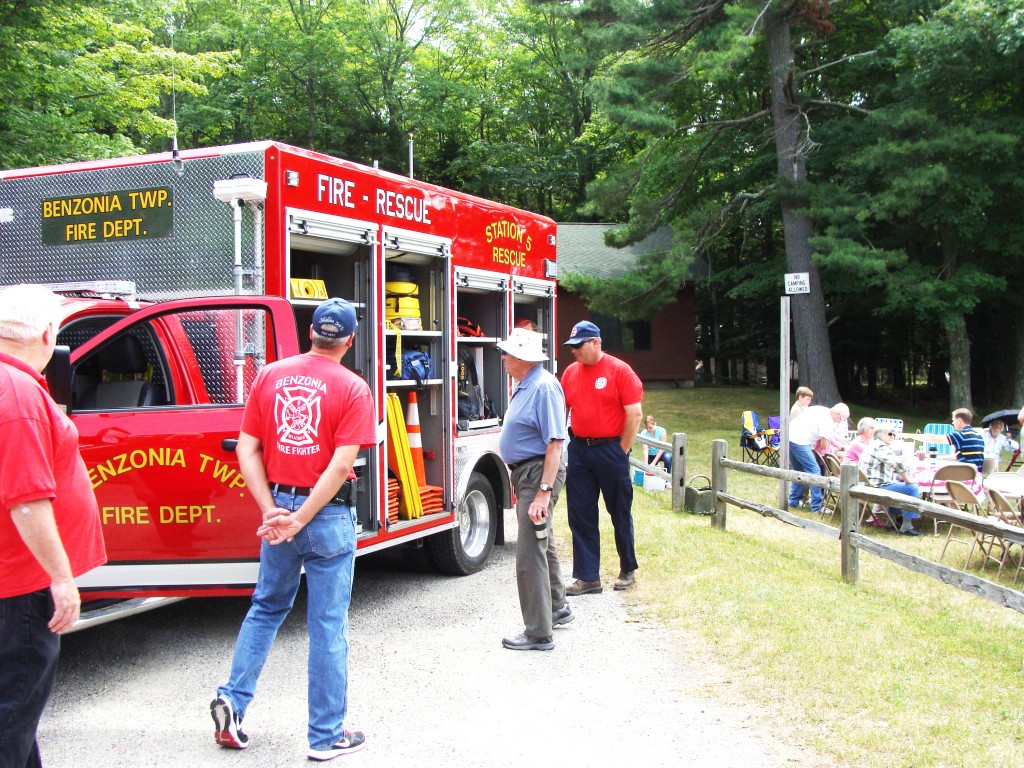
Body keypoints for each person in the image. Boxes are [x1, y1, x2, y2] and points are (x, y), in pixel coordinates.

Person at [211, 298, 376, 761]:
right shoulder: (353, 388)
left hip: (278, 508)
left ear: (310, 333)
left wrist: (272, 512)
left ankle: (233, 700)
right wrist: (300, 519)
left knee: (266, 608)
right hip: (324, 518)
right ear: (349, 339)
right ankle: (326, 737)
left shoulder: (270, 375)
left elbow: (247, 450)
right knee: (326, 626)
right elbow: (342, 464)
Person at [0, 284, 107, 768]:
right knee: (11, 716)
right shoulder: (17, 391)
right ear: (47, 334)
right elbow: (26, 501)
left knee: (18, 718)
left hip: (12, 582)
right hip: (19, 589)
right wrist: (61, 578)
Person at [496, 328, 571, 651]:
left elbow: (555, 443)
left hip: (537, 473)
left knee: (528, 554)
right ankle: (556, 607)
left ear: (523, 358)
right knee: (544, 542)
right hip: (528, 472)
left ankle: (539, 633)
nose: (503, 358)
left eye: (508, 353)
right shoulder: (528, 384)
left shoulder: (542, 387)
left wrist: (543, 492)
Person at [561, 320, 644, 595]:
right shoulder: (571, 373)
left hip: (611, 449)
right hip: (580, 449)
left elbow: (634, 414)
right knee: (581, 513)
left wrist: (622, 449)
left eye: (578, 345)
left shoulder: (620, 371)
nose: (574, 351)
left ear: (595, 342)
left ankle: (627, 568)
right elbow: (563, 410)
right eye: (571, 347)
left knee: (619, 511)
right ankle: (587, 577)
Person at [858, 426, 923, 535]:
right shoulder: (880, 446)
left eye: (894, 434)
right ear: (881, 435)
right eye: (890, 434)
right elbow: (896, 463)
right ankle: (907, 526)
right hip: (875, 488)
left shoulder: (873, 445)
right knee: (912, 488)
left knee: (895, 484)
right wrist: (907, 479)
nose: (892, 437)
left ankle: (891, 521)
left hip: (868, 485)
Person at [788, 402, 850, 514]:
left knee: (799, 471)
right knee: (815, 471)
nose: (839, 421)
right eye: (840, 419)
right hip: (800, 441)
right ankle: (817, 506)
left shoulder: (820, 409)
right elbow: (824, 445)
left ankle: (793, 501)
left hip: (789, 436)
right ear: (837, 414)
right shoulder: (828, 421)